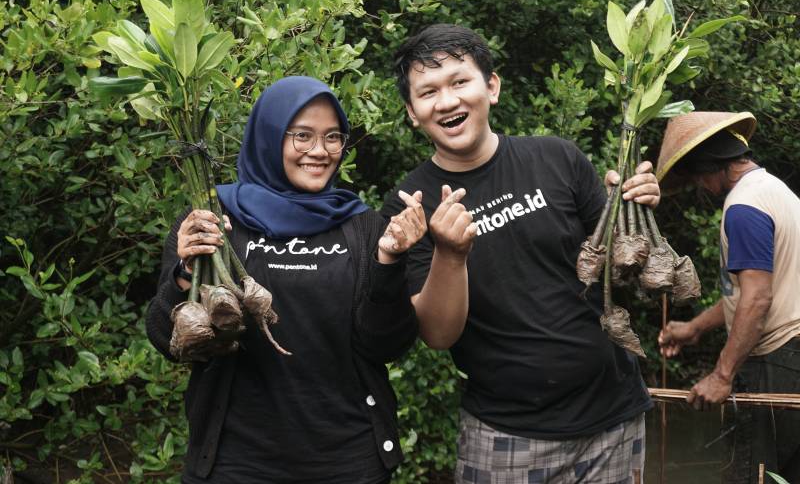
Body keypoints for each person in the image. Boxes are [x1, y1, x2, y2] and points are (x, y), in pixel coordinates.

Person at [146, 76, 467, 483]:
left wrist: (389, 261)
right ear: (268, 137)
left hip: (347, 462)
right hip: (236, 464)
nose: (320, 151)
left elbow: (385, 345)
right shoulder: (214, 221)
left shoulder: (362, 225)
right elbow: (166, 341)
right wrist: (185, 273)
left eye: (333, 137)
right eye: (301, 136)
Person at [382, 24, 660, 483]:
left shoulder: (558, 158)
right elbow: (437, 334)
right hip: (506, 432)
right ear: (413, 113)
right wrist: (451, 255)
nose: (447, 101)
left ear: (491, 87)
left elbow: (621, 273)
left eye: (459, 81)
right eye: (428, 92)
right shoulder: (410, 203)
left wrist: (635, 213)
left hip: (615, 415)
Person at [655, 111, 800, 483]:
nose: (702, 187)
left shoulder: (743, 208)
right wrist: (695, 327)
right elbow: (751, 291)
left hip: (775, 361)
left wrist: (722, 375)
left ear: (711, 167)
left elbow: (757, 300)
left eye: (698, 177)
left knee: (753, 474)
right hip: (792, 357)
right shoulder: (775, 191)